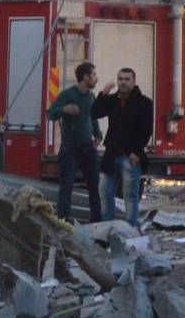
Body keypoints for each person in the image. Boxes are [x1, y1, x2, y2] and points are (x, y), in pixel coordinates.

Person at [94, 65, 154, 220]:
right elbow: (95, 113)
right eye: (120, 79)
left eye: (127, 79)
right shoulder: (113, 100)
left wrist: (136, 151)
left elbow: (146, 130)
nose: (123, 82)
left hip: (130, 156)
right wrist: (103, 94)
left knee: (130, 197)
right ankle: (107, 227)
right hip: (111, 154)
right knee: (105, 192)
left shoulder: (144, 103)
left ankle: (130, 230)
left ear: (134, 81)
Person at [47, 60, 102, 222]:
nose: (96, 78)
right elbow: (50, 114)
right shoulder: (68, 95)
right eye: (93, 75)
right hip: (70, 149)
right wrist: (64, 109)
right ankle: (63, 220)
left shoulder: (91, 96)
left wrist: (98, 134)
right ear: (85, 77)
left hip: (88, 148)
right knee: (67, 186)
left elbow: (92, 118)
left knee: (94, 186)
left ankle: (97, 222)